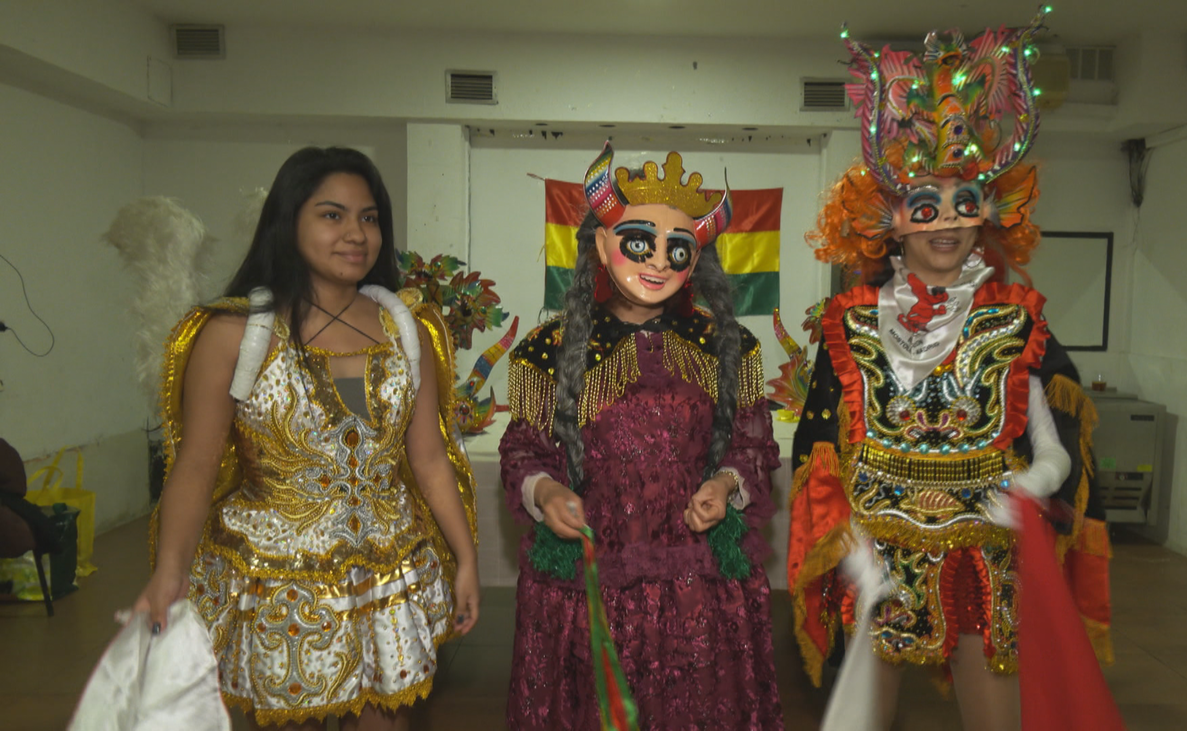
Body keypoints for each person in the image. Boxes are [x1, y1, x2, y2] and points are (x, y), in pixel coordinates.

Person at [788, 8, 1118, 730]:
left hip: (980, 546)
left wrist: (1034, 481)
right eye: (923, 203)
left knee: (993, 711)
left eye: (962, 202)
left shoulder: (1016, 316)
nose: (944, 219)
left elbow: (1055, 437)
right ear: (890, 218)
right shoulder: (847, 322)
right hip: (878, 541)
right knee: (864, 714)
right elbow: (821, 455)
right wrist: (849, 549)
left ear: (988, 213)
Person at [132, 146, 480, 731]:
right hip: (278, 586)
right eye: (331, 215)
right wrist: (169, 572)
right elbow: (193, 467)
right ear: (287, 221)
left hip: (389, 577)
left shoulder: (409, 329)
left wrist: (466, 559)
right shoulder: (234, 335)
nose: (356, 234)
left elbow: (428, 460)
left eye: (369, 218)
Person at [499, 144, 783, 729]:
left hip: (696, 589)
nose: (657, 261)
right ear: (603, 246)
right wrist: (546, 494)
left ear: (694, 261)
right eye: (638, 243)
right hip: (590, 586)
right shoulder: (549, 354)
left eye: (676, 249)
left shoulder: (726, 348)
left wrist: (726, 485)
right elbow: (523, 451)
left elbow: (751, 447)